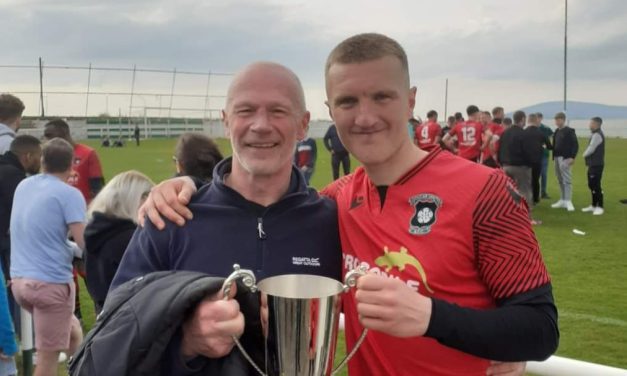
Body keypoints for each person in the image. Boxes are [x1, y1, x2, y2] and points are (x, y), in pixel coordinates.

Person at [145, 34, 556, 376]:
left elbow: (539, 329)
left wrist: (431, 317)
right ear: (328, 112)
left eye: (382, 97)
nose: (364, 117)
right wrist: (190, 185)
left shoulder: (485, 190)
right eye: (347, 102)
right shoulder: (333, 202)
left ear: (410, 100)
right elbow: (257, 197)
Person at [110, 62, 342, 375]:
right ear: (225, 121)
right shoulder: (172, 218)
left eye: (277, 111)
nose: (260, 125)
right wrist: (187, 341)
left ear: (302, 125)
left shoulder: (332, 222)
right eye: (245, 111)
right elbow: (113, 337)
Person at [10, 138, 85, 376]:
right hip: (49, 284)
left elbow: (40, 233)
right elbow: (85, 244)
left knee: (74, 334)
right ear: (71, 165)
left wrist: (69, 248)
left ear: (42, 161)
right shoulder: (70, 194)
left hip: (20, 282)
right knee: (47, 363)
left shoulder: (24, 186)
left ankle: (81, 370)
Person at [44, 119, 105, 321]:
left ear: (63, 134)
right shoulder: (50, 159)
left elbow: (99, 189)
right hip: (57, 225)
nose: (47, 141)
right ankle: (75, 316)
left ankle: (101, 309)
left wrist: (89, 218)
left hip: (82, 223)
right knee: (66, 273)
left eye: (50, 136)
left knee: (88, 269)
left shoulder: (87, 154)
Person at [84, 170, 155, 314]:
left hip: (105, 314)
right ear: (137, 198)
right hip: (132, 316)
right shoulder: (130, 239)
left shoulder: (95, 233)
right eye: (148, 196)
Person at [0, 135, 40, 376]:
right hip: (6, 245)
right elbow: (23, 214)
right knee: (13, 292)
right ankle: (19, 339)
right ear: (27, 157)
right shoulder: (15, 178)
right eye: (38, 157)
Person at [550, 112, 578, 211]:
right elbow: (554, 145)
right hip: (556, 157)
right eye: (555, 120)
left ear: (563, 119)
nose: (556, 122)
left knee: (567, 179)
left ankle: (568, 200)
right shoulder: (557, 131)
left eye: (558, 119)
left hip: (565, 158)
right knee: (559, 179)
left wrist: (572, 157)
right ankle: (562, 199)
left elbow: (575, 145)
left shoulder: (569, 131)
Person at [524, 113, 552, 205]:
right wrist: (542, 147)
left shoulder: (523, 132)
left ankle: (526, 198)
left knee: (526, 180)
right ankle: (535, 198)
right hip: (537, 160)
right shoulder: (541, 133)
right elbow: (549, 146)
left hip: (525, 160)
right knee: (535, 180)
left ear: (528, 121)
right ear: (536, 121)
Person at [581, 117, 605, 215]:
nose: (589, 125)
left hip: (596, 164)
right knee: (591, 185)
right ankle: (593, 205)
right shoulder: (595, 134)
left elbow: (591, 148)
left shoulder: (597, 135)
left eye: (591, 123)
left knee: (596, 185)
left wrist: (584, 154)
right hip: (593, 164)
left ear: (596, 124)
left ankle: (600, 206)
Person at [537, 113, 553, 199]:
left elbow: (551, 137)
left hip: (544, 154)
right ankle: (536, 192)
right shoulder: (533, 128)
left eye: (539, 118)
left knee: (544, 174)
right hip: (534, 155)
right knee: (536, 174)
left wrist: (547, 145)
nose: (538, 119)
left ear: (541, 118)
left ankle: (543, 192)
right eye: (536, 118)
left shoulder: (546, 128)